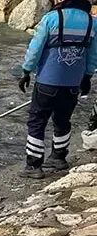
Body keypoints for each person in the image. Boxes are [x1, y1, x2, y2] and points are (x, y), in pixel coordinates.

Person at [18, 0, 97, 179]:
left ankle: (33, 165)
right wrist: (87, 76)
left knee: (37, 120)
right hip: (73, 83)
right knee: (63, 119)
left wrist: (26, 71)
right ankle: (59, 157)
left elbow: (35, 48)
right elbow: (93, 54)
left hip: (48, 80)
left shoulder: (51, 18)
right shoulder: (93, 22)